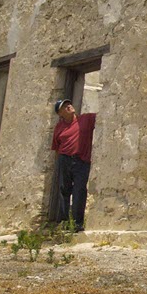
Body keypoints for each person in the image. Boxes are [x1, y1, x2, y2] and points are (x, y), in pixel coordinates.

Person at [51, 98, 96, 230]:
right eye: (64, 107)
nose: (68, 106)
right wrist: (59, 164)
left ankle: (77, 223)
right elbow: (56, 147)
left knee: (80, 190)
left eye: (69, 104)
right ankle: (63, 221)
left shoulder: (86, 120)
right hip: (65, 159)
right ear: (60, 114)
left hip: (81, 160)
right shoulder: (59, 128)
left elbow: (104, 116)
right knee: (64, 190)